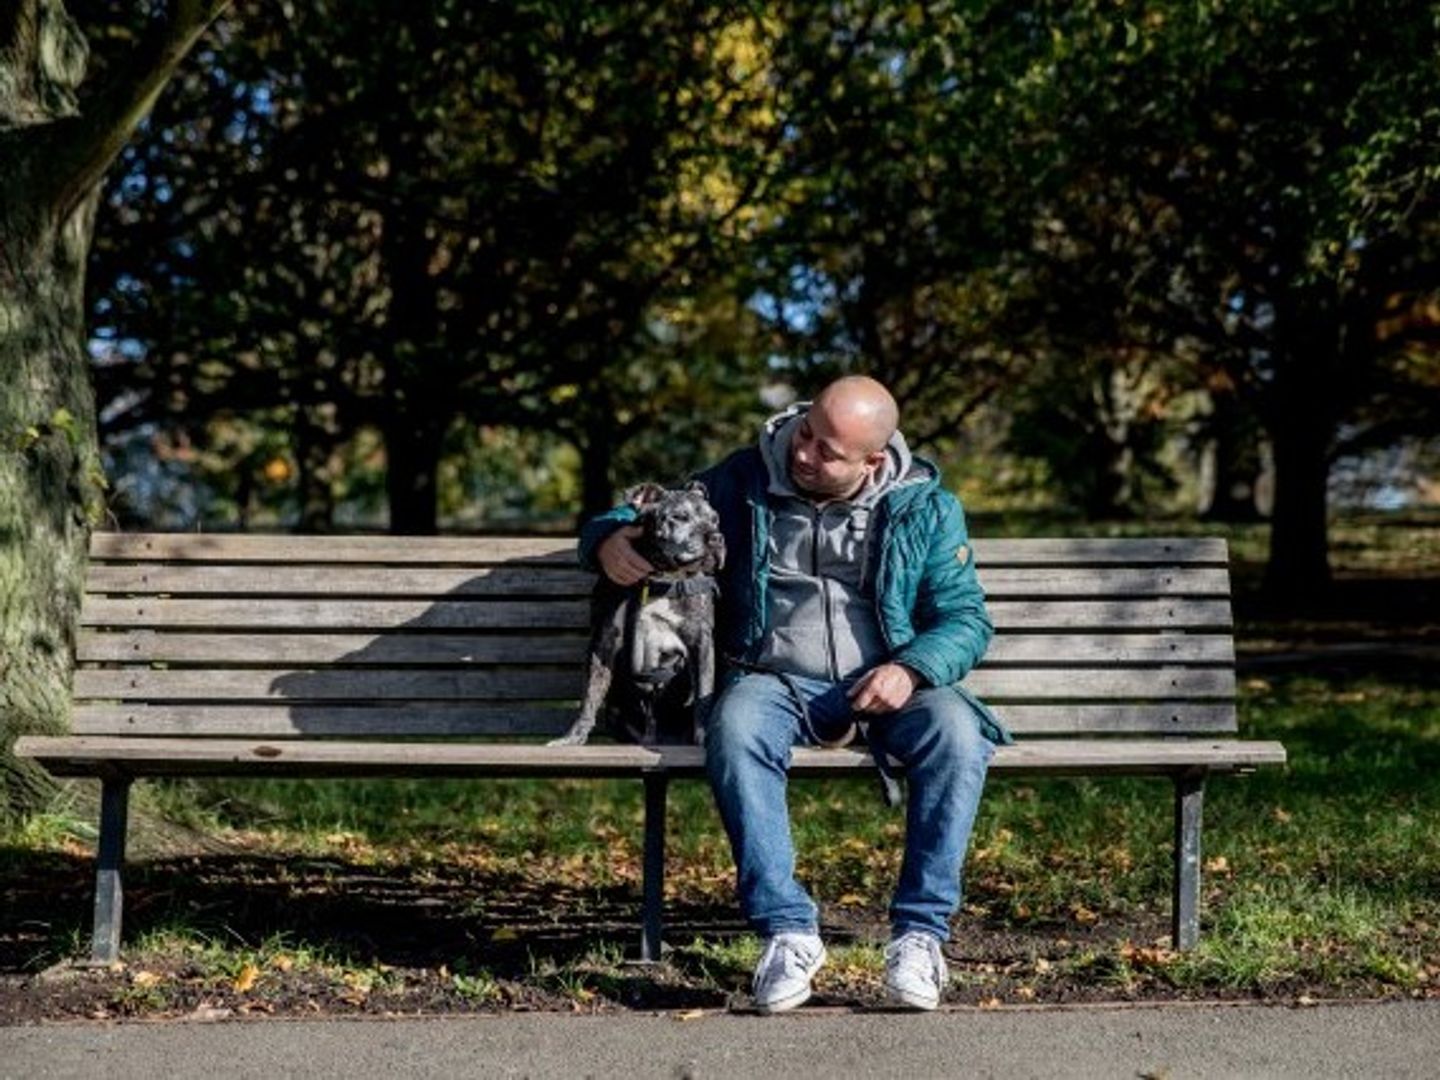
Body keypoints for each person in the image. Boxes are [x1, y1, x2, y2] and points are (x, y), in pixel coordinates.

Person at [579, 375, 1009, 1013]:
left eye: (827, 451)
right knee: (736, 725)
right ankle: (787, 932)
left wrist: (912, 669)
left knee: (957, 732)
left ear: (872, 459)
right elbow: (645, 508)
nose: (803, 453)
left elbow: (965, 618)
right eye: (806, 431)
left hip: (887, 681)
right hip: (773, 679)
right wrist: (608, 541)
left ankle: (920, 937)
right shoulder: (745, 478)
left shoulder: (926, 505)